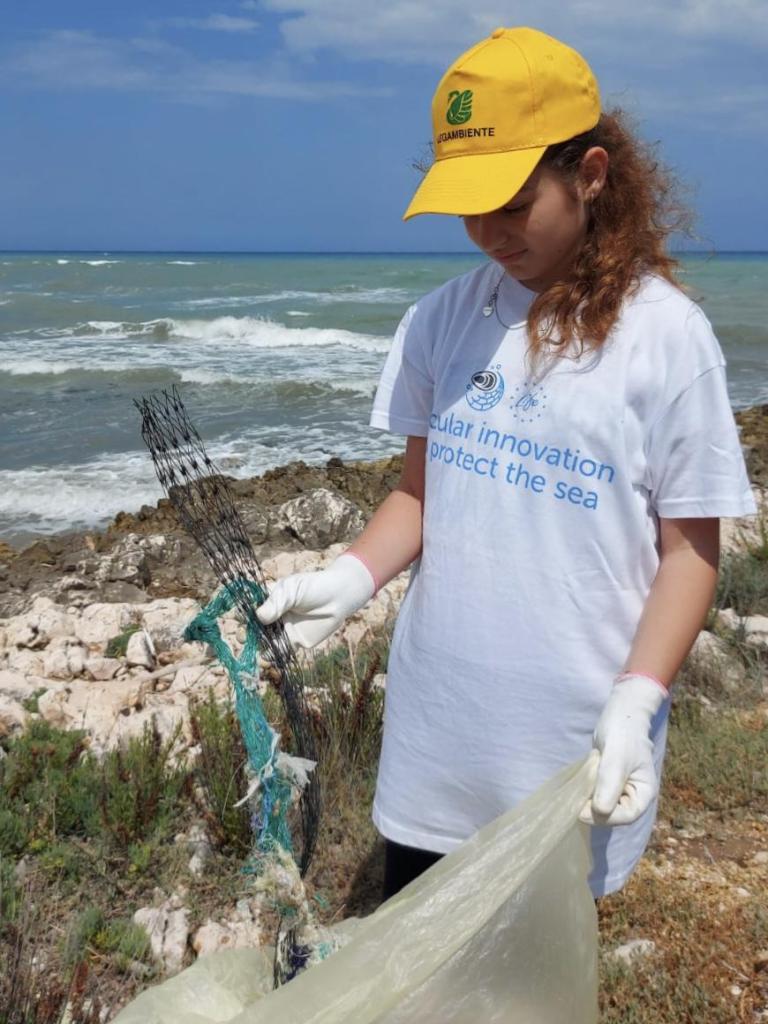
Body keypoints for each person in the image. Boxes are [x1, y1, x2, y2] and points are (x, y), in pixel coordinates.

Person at [257, 26, 757, 900]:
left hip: (572, 740)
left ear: (591, 174)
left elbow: (689, 551)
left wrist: (639, 699)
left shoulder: (668, 339)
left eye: (513, 201)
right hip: (435, 739)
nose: (486, 230)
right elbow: (420, 493)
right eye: (469, 203)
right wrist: (351, 576)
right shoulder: (443, 320)